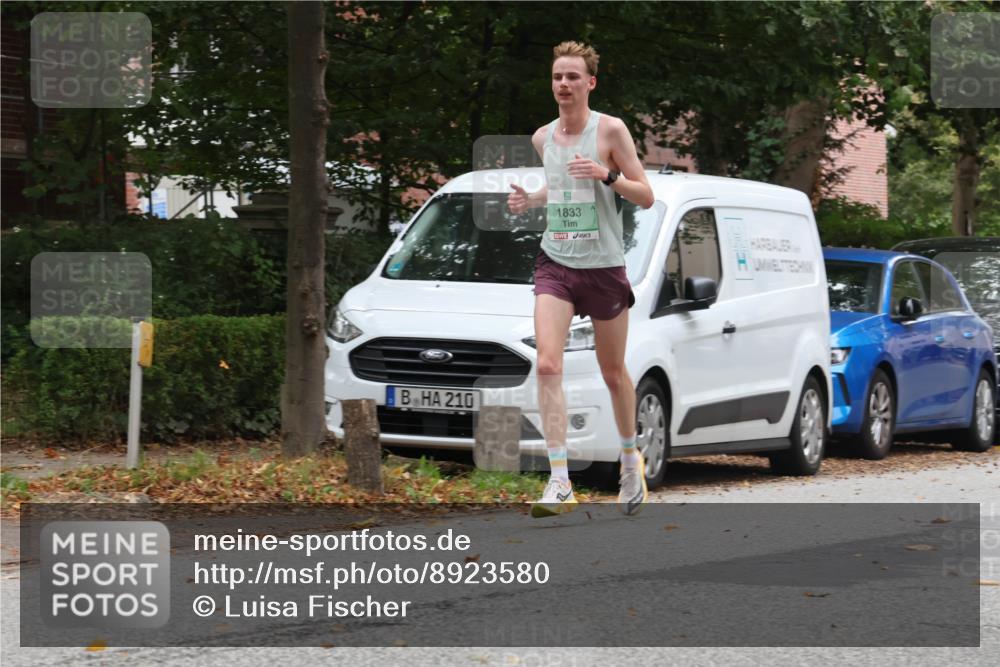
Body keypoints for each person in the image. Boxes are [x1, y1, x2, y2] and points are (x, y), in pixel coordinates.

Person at [507, 41, 655, 518]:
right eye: (557, 77)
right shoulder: (541, 138)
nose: (564, 84)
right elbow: (560, 185)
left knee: (613, 373)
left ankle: (631, 460)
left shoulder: (610, 130)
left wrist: (606, 176)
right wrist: (531, 201)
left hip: (604, 266)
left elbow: (646, 196)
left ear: (590, 83)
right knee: (548, 365)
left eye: (573, 77)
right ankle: (559, 479)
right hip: (556, 262)